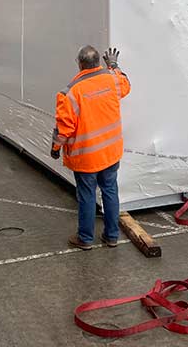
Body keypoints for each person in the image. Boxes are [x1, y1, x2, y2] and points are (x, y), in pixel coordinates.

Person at [50, 45, 131, 250]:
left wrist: (55, 148)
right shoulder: (112, 79)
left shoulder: (70, 93)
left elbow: (64, 129)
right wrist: (113, 66)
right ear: (99, 62)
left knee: (87, 196)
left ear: (79, 64)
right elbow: (126, 85)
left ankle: (85, 239)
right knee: (110, 191)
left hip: (86, 157)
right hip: (110, 152)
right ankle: (111, 236)